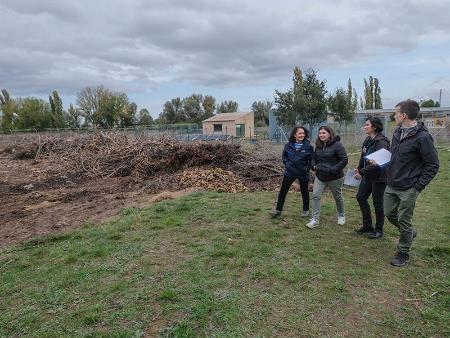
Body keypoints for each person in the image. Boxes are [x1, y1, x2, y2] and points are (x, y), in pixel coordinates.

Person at [382, 99, 439, 267]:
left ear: (404, 115)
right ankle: (410, 233)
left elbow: (433, 165)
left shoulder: (423, 137)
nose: (394, 116)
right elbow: (395, 156)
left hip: (409, 187)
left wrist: (418, 186)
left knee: (404, 219)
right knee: (389, 213)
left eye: (396, 113)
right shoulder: (397, 132)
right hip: (392, 183)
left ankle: (403, 252)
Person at [354, 117, 390, 239]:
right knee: (361, 197)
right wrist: (359, 168)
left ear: (374, 127)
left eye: (367, 125)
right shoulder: (368, 140)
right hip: (368, 176)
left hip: (379, 177)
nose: (364, 127)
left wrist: (362, 172)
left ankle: (379, 230)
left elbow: (379, 164)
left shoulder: (381, 142)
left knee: (377, 203)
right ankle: (367, 226)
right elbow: (363, 156)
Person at [306, 126, 348, 229]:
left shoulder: (337, 145)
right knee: (315, 195)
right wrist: (313, 166)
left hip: (335, 177)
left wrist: (333, 170)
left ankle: (341, 216)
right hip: (320, 176)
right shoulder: (318, 146)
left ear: (330, 134)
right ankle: (315, 219)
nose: (321, 135)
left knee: (337, 197)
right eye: (320, 133)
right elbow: (314, 158)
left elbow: (344, 159)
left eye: (324, 133)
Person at [270, 126, 314, 218]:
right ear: (295, 135)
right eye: (300, 133)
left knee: (304, 191)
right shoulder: (288, 145)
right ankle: (278, 210)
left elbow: (312, 160)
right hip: (290, 172)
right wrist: (287, 164)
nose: (302, 135)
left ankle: (305, 210)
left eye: (303, 133)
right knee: (283, 191)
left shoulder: (309, 146)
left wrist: (307, 168)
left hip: (303, 172)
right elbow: (284, 157)